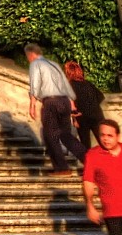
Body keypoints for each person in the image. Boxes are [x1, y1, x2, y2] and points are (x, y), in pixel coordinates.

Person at [25, 45, 82, 175]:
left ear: (31, 55)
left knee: (50, 136)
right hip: (64, 101)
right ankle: (88, 159)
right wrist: (72, 104)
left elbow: (35, 84)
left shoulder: (35, 64)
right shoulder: (54, 64)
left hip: (51, 102)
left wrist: (32, 104)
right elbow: (66, 85)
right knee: (66, 136)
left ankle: (62, 167)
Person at [65, 60, 106, 159]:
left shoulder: (69, 85)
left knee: (85, 144)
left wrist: (75, 117)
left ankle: (89, 166)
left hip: (82, 117)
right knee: (103, 141)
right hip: (97, 115)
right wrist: (92, 106)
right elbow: (101, 96)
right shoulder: (88, 83)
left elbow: (72, 105)